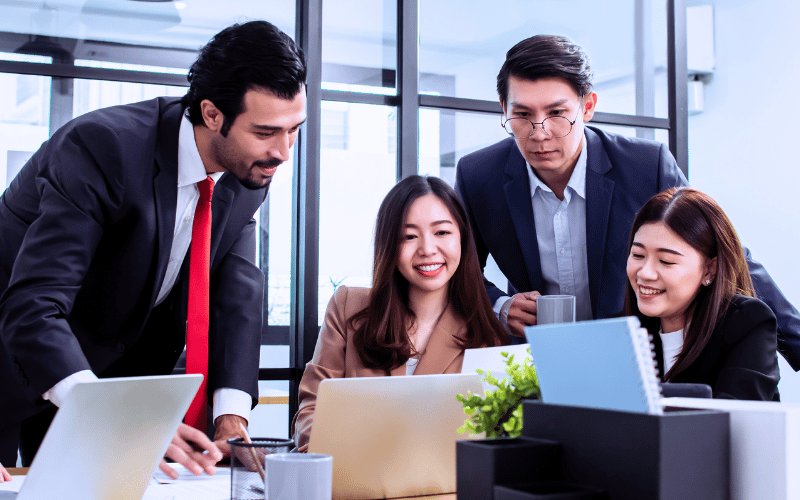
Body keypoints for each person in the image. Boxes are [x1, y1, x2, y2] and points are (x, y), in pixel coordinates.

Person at [0, 20, 307, 476]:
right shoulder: (103, 148)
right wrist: (116, 415)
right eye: (266, 132)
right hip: (19, 361)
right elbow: (33, 305)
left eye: (294, 130)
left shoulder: (247, 173)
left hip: (115, 381)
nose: (284, 152)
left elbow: (237, 293)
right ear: (212, 114)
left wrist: (231, 416)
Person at [453, 34, 800, 370]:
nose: (539, 132)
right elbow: (456, 270)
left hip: (635, 356)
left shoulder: (645, 167)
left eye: (557, 113)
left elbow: (724, 253)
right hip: (537, 361)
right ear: (504, 109)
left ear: (587, 107)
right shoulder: (479, 176)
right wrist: (500, 304)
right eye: (523, 115)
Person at [291, 176, 509, 452]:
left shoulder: (487, 337)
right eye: (409, 236)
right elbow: (313, 409)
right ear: (389, 245)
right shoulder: (349, 307)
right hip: (351, 483)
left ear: (464, 240)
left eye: (442, 233)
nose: (427, 249)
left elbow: (489, 443)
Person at [624, 188, 779, 400]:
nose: (645, 273)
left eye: (666, 261)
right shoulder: (621, 330)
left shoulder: (747, 322)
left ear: (709, 270)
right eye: (638, 255)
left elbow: (733, 420)